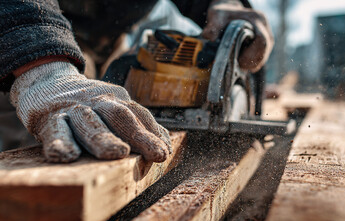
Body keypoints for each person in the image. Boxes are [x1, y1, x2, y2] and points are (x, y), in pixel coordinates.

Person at [0, 0, 274, 163]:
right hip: (22, 36)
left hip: (110, 34)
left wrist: (221, 2)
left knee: (103, 122)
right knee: (43, 144)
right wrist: (39, 65)